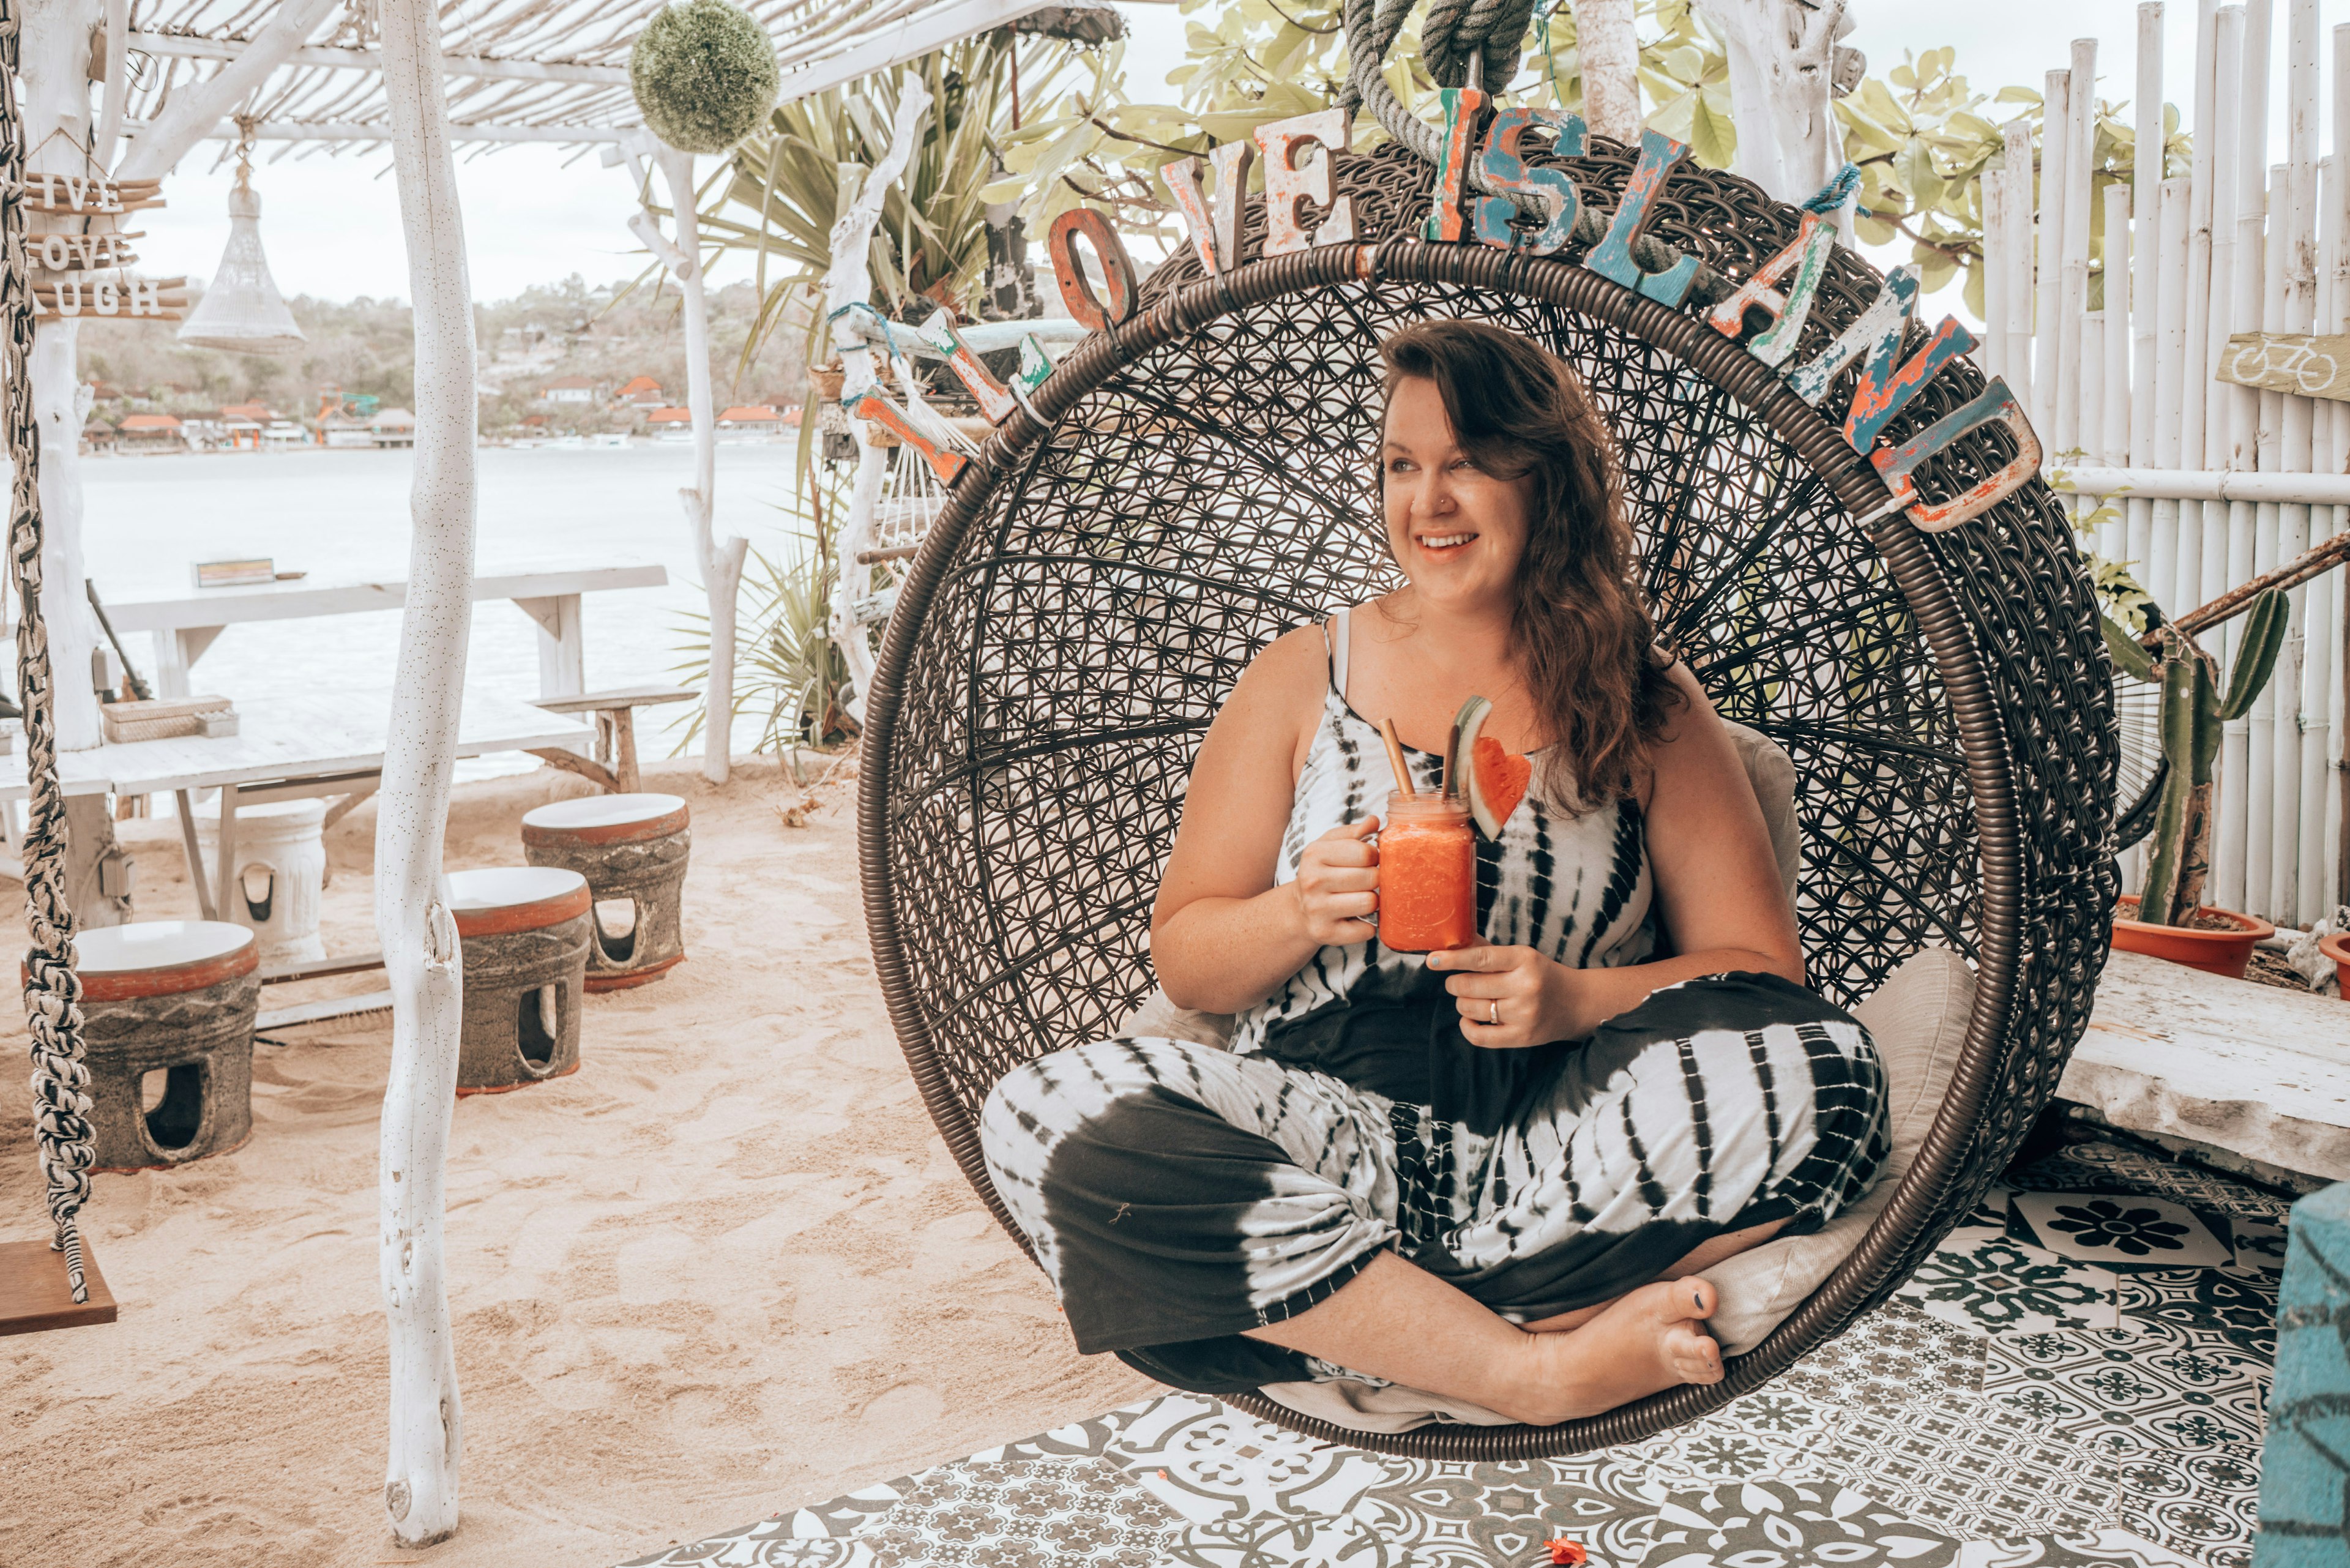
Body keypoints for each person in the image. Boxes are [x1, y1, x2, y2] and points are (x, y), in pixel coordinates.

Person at [979, 319, 1888, 1426]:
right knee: (1037, 1109)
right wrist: (1296, 909)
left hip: (1562, 1140)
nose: (1429, 501)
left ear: (1544, 476)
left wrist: (1576, 997)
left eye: (1466, 462)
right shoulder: (1301, 676)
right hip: (1325, 1129)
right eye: (1403, 466)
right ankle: (1530, 1366)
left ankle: (1379, 1318)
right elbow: (1188, 959)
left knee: (1830, 1069)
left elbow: (1764, 972)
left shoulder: (1646, 701)